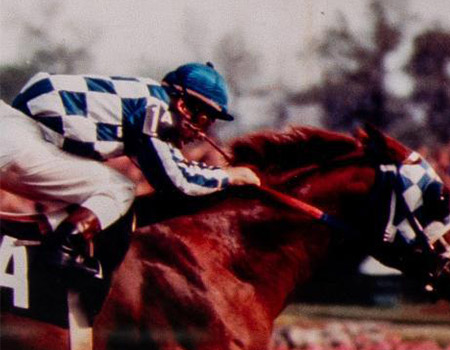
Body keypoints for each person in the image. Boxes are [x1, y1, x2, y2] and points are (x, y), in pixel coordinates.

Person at [0, 59, 259, 272]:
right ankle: (61, 250)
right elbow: (177, 181)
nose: (200, 134)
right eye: (204, 120)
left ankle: (45, 239)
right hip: (20, 141)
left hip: (14, 127)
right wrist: (230, 177)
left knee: (93, 185)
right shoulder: (156, 110)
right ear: (182, 105)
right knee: (120, 188)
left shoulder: (145, 97)